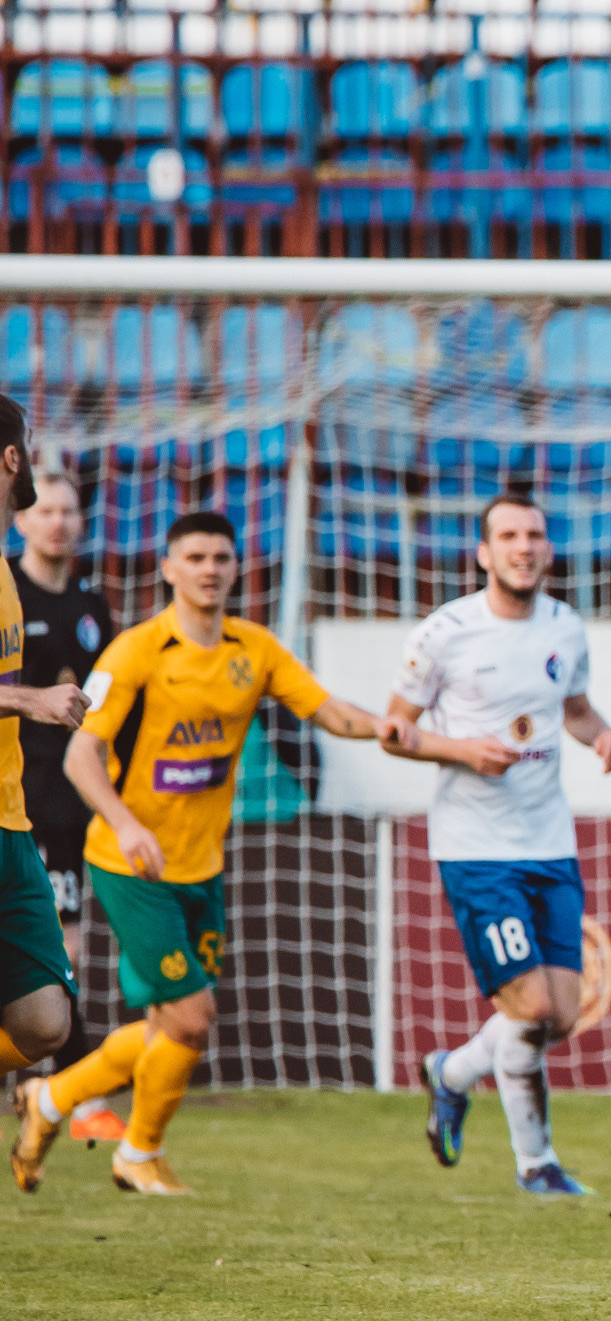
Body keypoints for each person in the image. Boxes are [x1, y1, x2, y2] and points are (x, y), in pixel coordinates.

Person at [10, 511, 413, 1197]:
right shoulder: (134, 651)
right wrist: (126, 825)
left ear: (235, 568)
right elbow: (82, 756)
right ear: (168, 568)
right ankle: (138, 1153)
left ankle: (50, 1099)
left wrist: (384, 727)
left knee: (170, 1026)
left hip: (201, 866)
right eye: (194, 557)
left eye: (221, 557)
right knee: (193, 1017)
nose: (209, 569)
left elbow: (326, 710)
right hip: (131, 864)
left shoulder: (254, 648)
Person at [390, 494, 611, 1197]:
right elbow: (395, 729)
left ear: (547, 549)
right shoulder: (445, 632)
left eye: (533, 535)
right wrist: (462, 750)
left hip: (549, 841)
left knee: (561, 1012)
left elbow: (576, 711)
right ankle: (536, 1164)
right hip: (476, 847)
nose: (523, 547)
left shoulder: (566, 627)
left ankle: (452, 1073)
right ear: (484, 552)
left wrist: (604, 737)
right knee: (529, 1005)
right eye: (508, 536)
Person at [12, 468, 123, 1145]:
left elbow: (108, 706)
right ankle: (77, 1095)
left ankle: (64, 1092)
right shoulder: (7, 590)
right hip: (14, 796)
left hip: (68, 798)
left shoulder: (92, 607)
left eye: (68, 511)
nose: (57, 521)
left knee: (62, 949)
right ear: (22, 518)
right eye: (46, 509)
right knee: (58, 948)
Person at [0, 399, 91, 1117]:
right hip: (23, 804)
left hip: (14, 819)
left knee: (42, 1023)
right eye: (28, 445)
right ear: (12, 457)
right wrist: (30, 700)